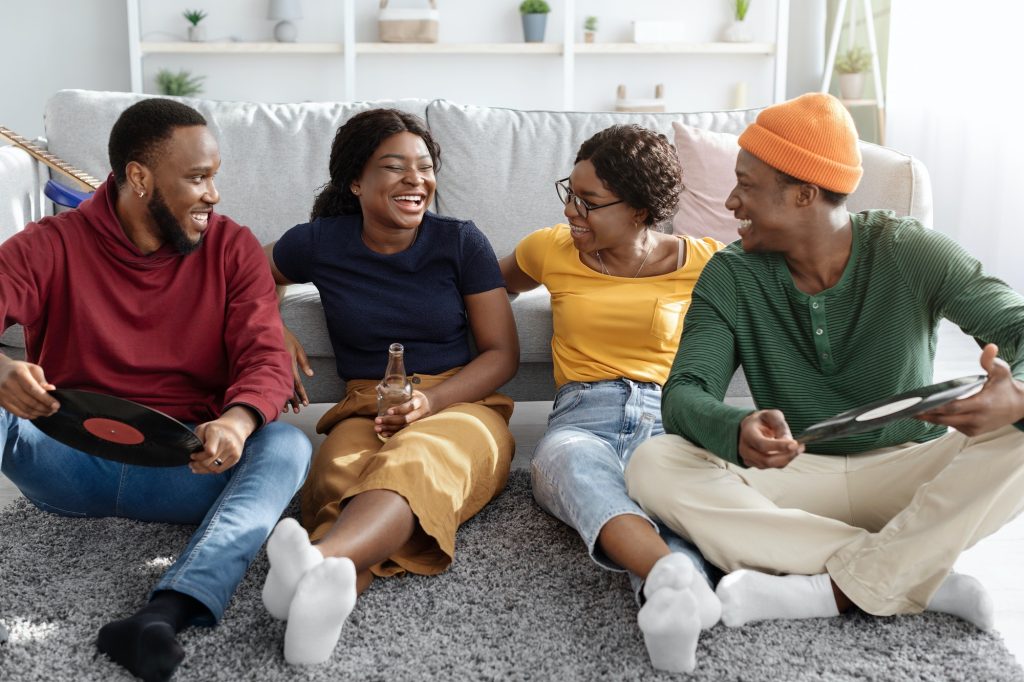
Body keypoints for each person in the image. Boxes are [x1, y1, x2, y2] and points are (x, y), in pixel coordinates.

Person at [625, 92, 1024, 635]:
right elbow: (685, 392)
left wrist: (1015, 395)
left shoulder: (909, 250)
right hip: (791, 475)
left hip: (906, 471)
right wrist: (736, 428)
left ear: (804, 195)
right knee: (652, 463)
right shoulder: (730, 274)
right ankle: (917, 570)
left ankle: (833, 587)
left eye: (746, 184)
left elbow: (1018, 325)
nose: (731, 202)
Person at [0, 98, 310, 682]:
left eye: (214, 176)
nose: (213, 194)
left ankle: (164, 614)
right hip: (66, 460)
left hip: (183, 465)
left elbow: (266, 357)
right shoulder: (49, 244)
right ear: (139, 178)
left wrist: (238, 421)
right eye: (197, 178)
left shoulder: (233, 247)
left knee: (289, 447)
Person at [260, 108, 519, 665]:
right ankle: (320, 609)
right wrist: (271, 326)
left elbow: (503, 354)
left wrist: (430, 402)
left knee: (416, 464)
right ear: (356, 181)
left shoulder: (460, 243)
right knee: (336, 474)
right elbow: (250, 274)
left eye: (424, 168)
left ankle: (317, 559)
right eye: (394, 167)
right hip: (365, 406)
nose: (415, 180)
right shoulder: (319, 242)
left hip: (461, 403)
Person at [498, 124, 724, 674]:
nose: (573, 211)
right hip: (581, 415)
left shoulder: (707, 262)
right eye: (569, 193)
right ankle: (675, 582)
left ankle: (671, 603)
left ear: (642, 210)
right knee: (565, 463)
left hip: (670, 416)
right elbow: (479, 292)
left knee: (674, 495)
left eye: (591, 202)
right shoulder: (547, 247)